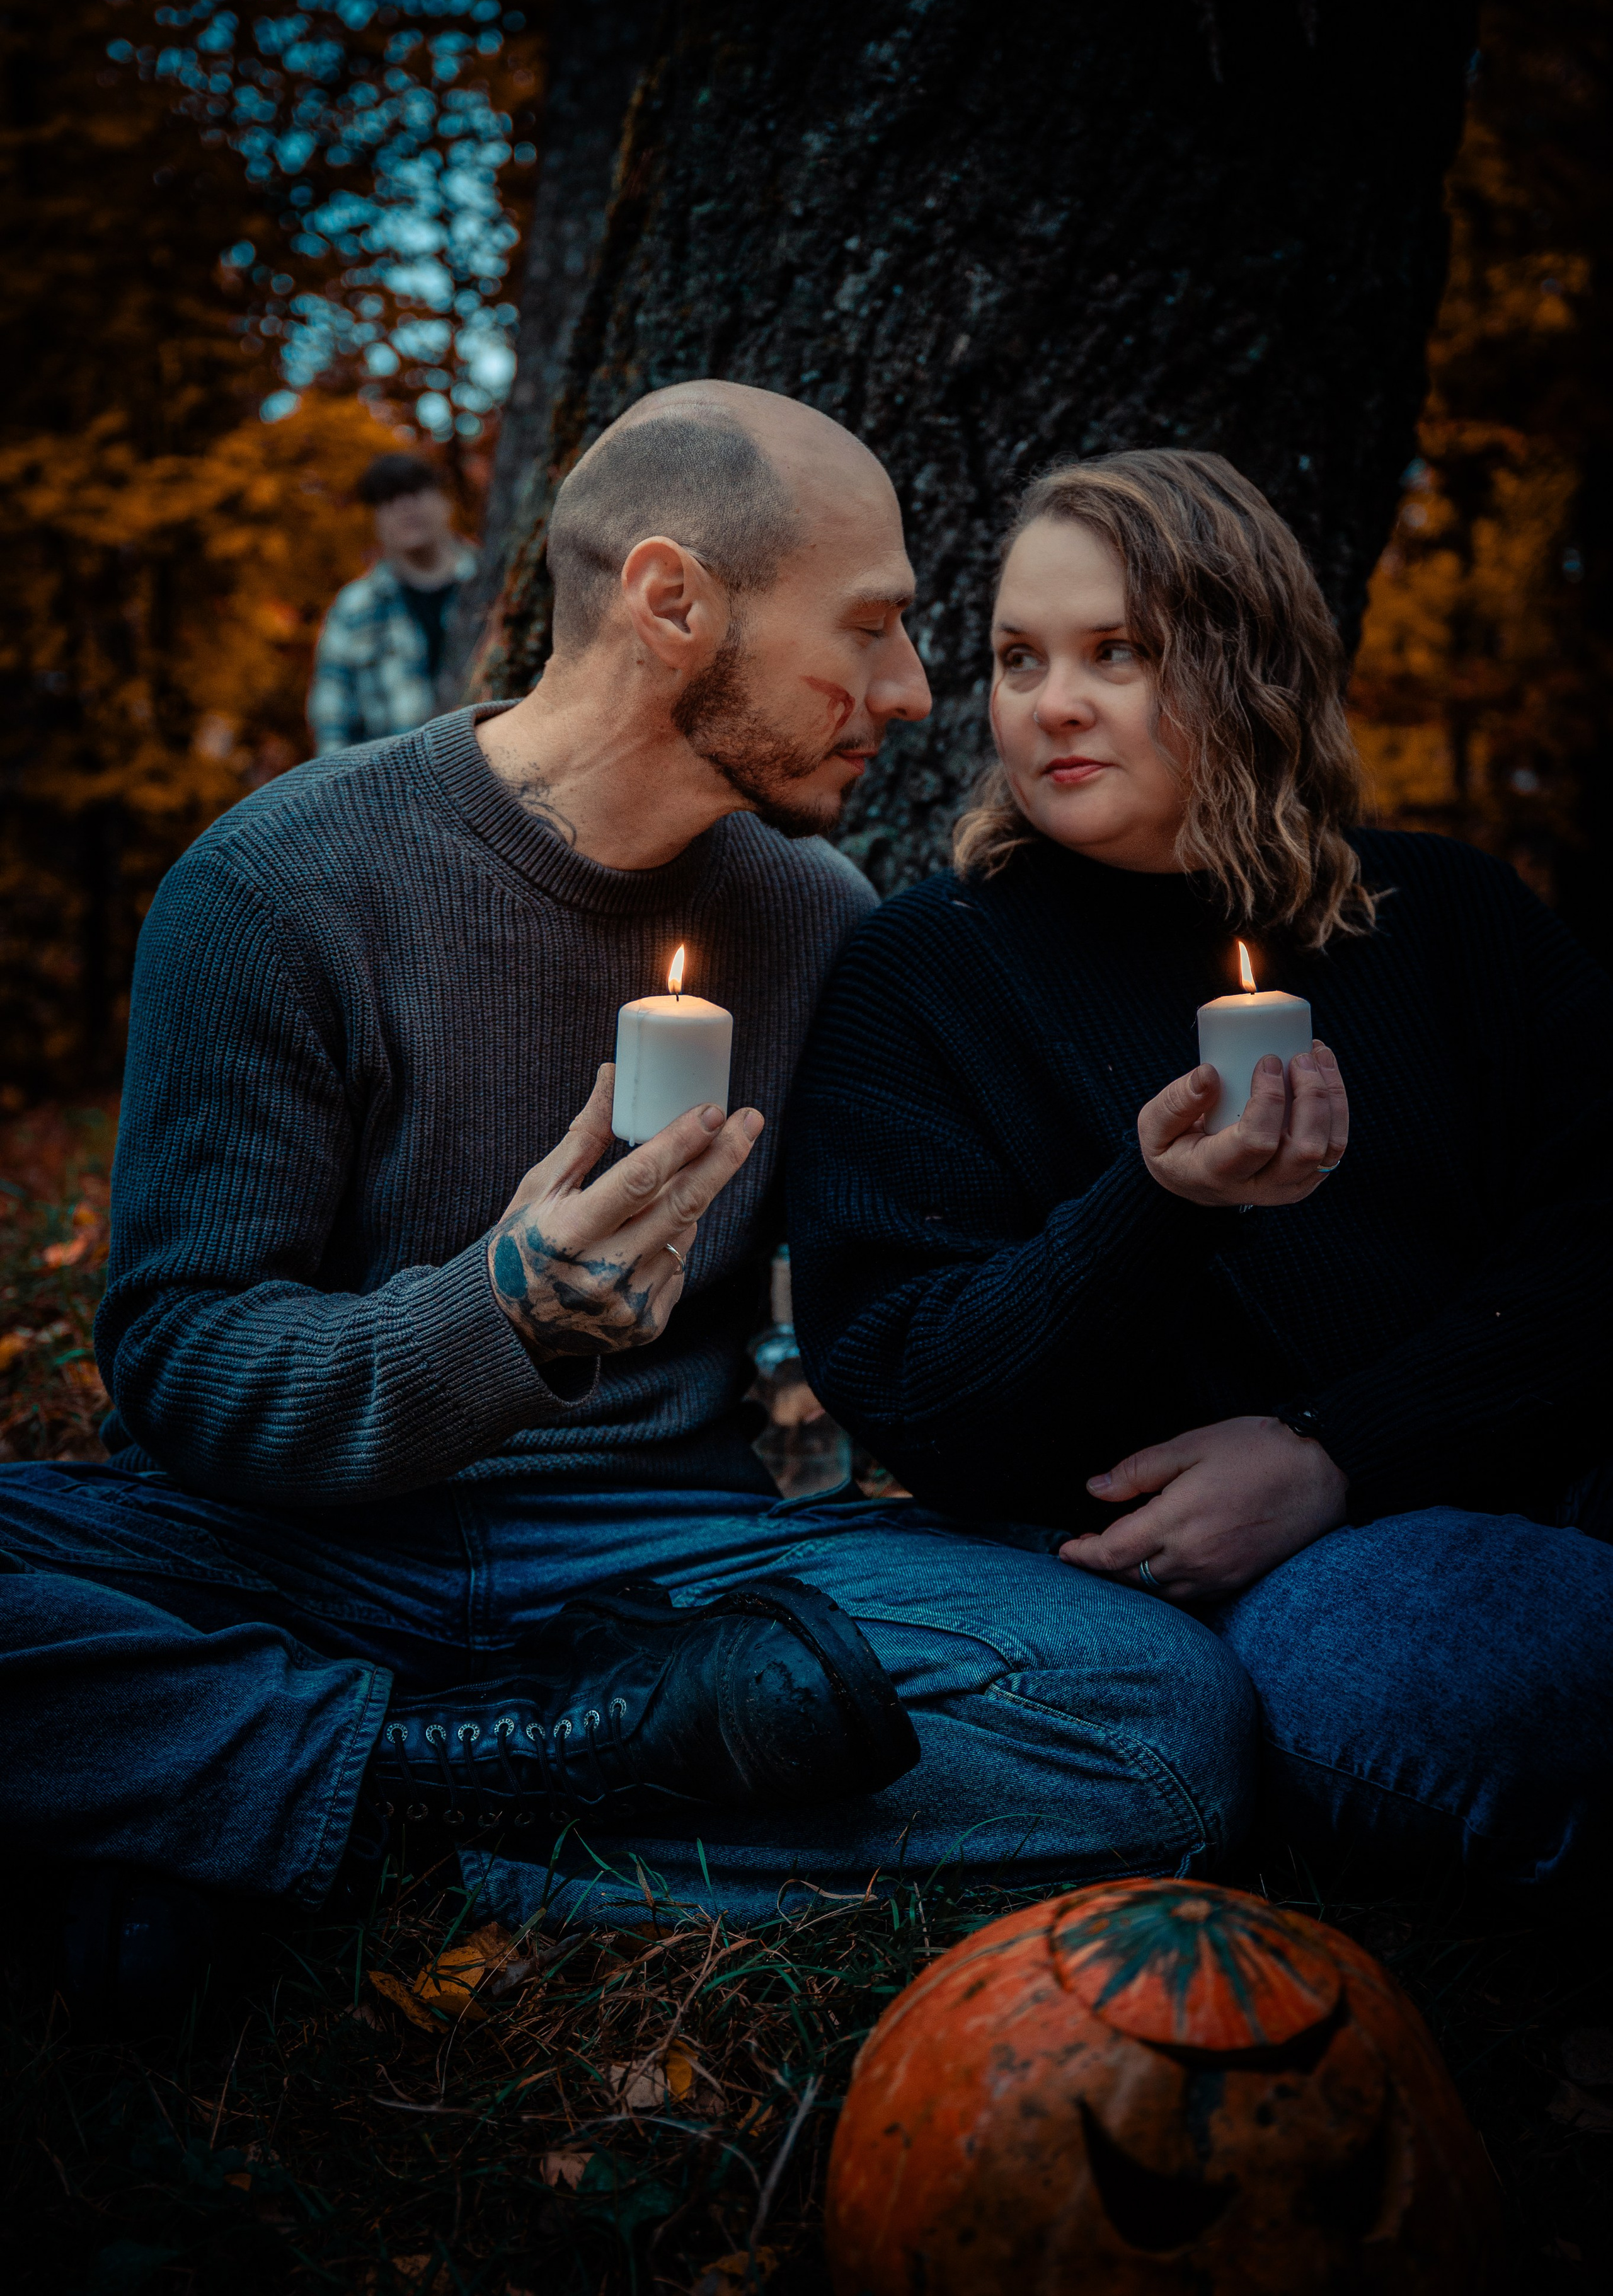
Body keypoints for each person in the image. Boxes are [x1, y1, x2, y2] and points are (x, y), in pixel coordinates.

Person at [0, 388, 1256, 2014]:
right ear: (672, 602)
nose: (913, 689)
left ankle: (316, 1800)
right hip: (297, 1554)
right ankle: (440, 1777)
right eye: (870, 628)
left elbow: (903, 1326)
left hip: (666, 1572)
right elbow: (181, 1375)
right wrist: (496, 1314)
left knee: (1161, 1718)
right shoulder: (277, 884)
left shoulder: (818, 921)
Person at [787, 447, 1613, 1896]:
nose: (1050, 701)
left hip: (1537, 1465)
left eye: (1117, 651)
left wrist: (1337, 1444)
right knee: (1506, 1664)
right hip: (1256, 1597)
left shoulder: (1450, 920)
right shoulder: (922, 973)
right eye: (1016, 656)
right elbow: (912, 1379)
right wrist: (1152, 1207)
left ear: (1246, 661)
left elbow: (1593, 1237)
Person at [307, 452, 478, 753]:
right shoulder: (354, 609)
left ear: (445, 501)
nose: (404, 507)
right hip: (399, 791)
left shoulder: (498, 581)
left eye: (415, 491)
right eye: (388, 499)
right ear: (376, 522)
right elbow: (332, 725)